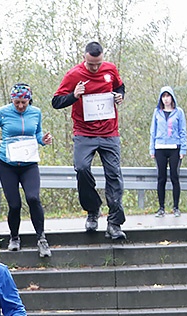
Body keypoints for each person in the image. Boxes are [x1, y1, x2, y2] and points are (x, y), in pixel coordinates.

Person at [52, 41, 127, 240]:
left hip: (110, 132)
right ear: (84, 57)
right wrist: (74, 95)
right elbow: (56, 102)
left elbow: (120, 87)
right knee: (82, 168)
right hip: (84, 133)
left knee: (114, 175)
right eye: (91, 64)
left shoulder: (110, 69)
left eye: (98, 64)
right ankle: (93, 209)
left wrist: (119, 96)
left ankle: (114, 223)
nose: (95, 68)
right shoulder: (73, 75)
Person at [0, 83, 55, 257]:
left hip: (29, 164)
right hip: (7, 164)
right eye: (17, 103)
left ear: (29, 100)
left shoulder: (36, 112)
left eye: (24, 102)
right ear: (12, 100)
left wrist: (43, 139)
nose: (21, 106)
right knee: (14, 205)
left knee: (33, 198)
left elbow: (37, 134)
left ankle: (42, 239)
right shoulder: (2, 113)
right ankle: (14, 237)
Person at [149, 86, 187, 217]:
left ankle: (176, 207)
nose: (166, 99)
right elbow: (152, 131)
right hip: (159, 147)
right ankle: (161, 208)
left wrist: (183, 148)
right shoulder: (157, 112)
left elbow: (183, 131)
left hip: (174, 148)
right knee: (161, 178)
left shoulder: (179, 112)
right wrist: (151, 148)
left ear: (172, 97)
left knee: (174, 177)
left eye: (168, 96)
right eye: (163, 96)